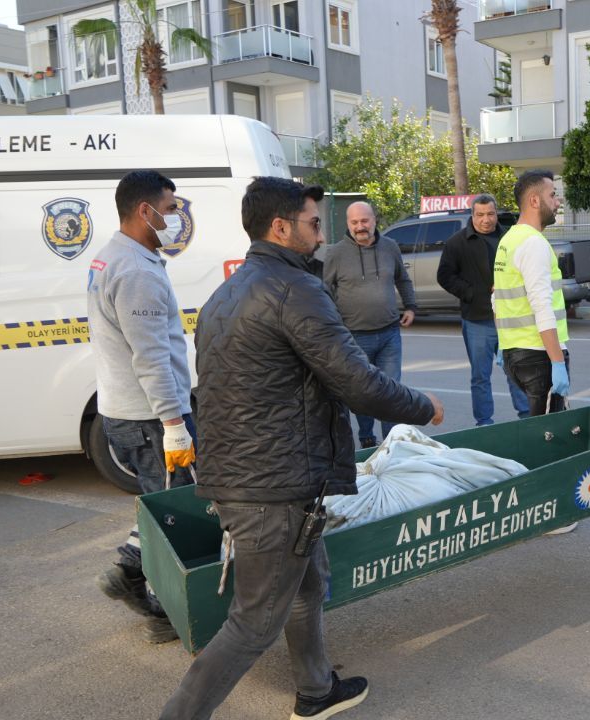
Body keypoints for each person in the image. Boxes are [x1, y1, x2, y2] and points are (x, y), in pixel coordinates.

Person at [160, 177, 444, 720]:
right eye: (315, 223)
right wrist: (421, 406)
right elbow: (356, 381)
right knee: (253, 622)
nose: (323, 233)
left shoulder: (229, 293)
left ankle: (316, 691)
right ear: (281, 227)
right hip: (271, 485)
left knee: (308, 586)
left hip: (255, 476)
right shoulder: (294, 288)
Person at [86, 170, 198, 644]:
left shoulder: (111, 258)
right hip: (152, 418)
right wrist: (174, 424)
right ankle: (164, 611)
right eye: (171, 209)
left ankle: (127, 570)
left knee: (157, 506)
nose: (176, 218)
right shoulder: (134, 273)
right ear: (143, 211)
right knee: (174, 515)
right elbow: (149, 356)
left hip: (122, 411)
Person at [324, 201, 418, 449]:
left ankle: (391, 443)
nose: (360, 227)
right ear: (348, 224)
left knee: (391, 389)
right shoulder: (335, 253)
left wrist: (410, 306)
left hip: (389, 333)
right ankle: (366, 436)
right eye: (354, 222)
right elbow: (323, 290)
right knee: (362, 392)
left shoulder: (390, 247)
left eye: (364, 221)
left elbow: (403, 279)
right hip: (354, 336)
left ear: (374, 220)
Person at [437, 194, 532, 426]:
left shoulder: (510, 237)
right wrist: (471, 293)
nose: (486, 220)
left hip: (510, 319)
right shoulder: (457, 242)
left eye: (490, 214)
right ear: (472, 215)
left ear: (496, 213)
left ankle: (527, 416)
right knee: (480, 377)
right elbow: (445, 276)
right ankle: (484, 422)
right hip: (477, 320)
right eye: (480, 215)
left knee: (517, 371)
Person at [493, 170, 570, 418]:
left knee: (537, 431)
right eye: (553, 195)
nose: (558, 202)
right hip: (539, 356)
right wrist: (557, 362)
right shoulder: (534, 243)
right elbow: (542, 307)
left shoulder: (508, 240)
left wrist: (502, 345)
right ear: (534, 201)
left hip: (515, 355)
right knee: (548, 438)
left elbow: (496, 299)